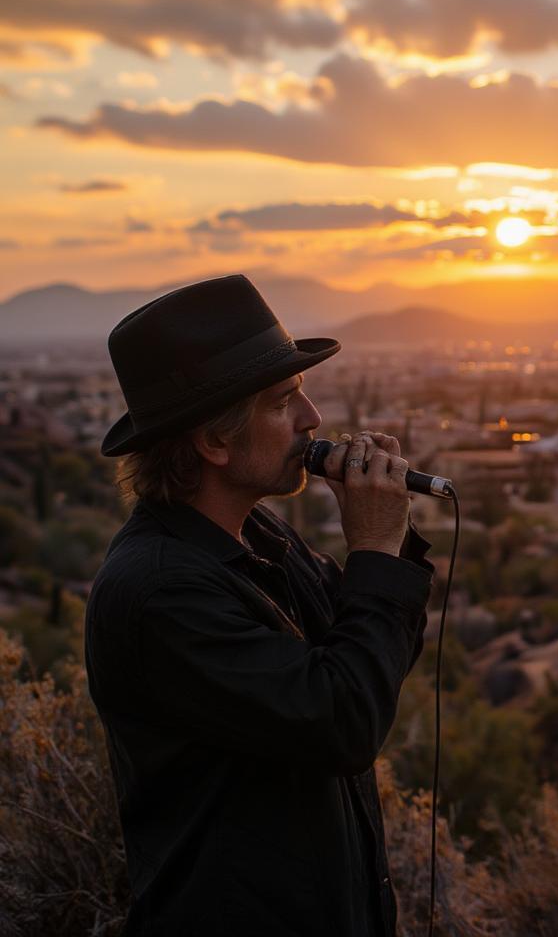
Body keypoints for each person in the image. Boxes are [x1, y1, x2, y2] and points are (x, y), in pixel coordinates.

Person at [85, 274, 433, 936]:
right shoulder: (161, 593)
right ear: (214, 443)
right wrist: (375, 551)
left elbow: (375, 657)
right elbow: (345, 721)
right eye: (283, 401)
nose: (313, 420)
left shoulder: (258, 536)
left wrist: (388, 550)